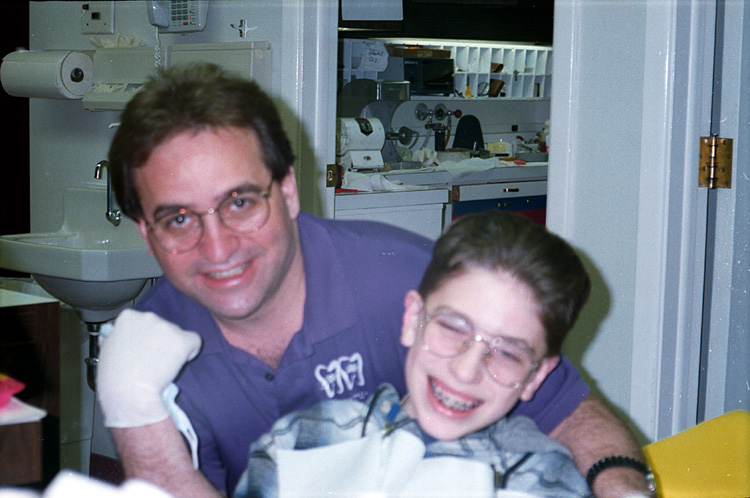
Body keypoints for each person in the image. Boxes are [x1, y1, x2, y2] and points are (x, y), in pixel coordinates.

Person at [96, 62, 654, 498]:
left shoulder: (406, 279)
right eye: (179, 218)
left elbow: (568, 412)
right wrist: (133, 416)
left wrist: (623, 488)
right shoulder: (149, 365)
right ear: (147, 232)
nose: (217, 247)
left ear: (288, 190)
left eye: (240, 201)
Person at [234, 211, 593, 498]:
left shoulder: (544, 480)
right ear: (411, 320)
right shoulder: (300, 442)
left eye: (508, 353)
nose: (466, 371)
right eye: (453, 328)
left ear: (537, 376)